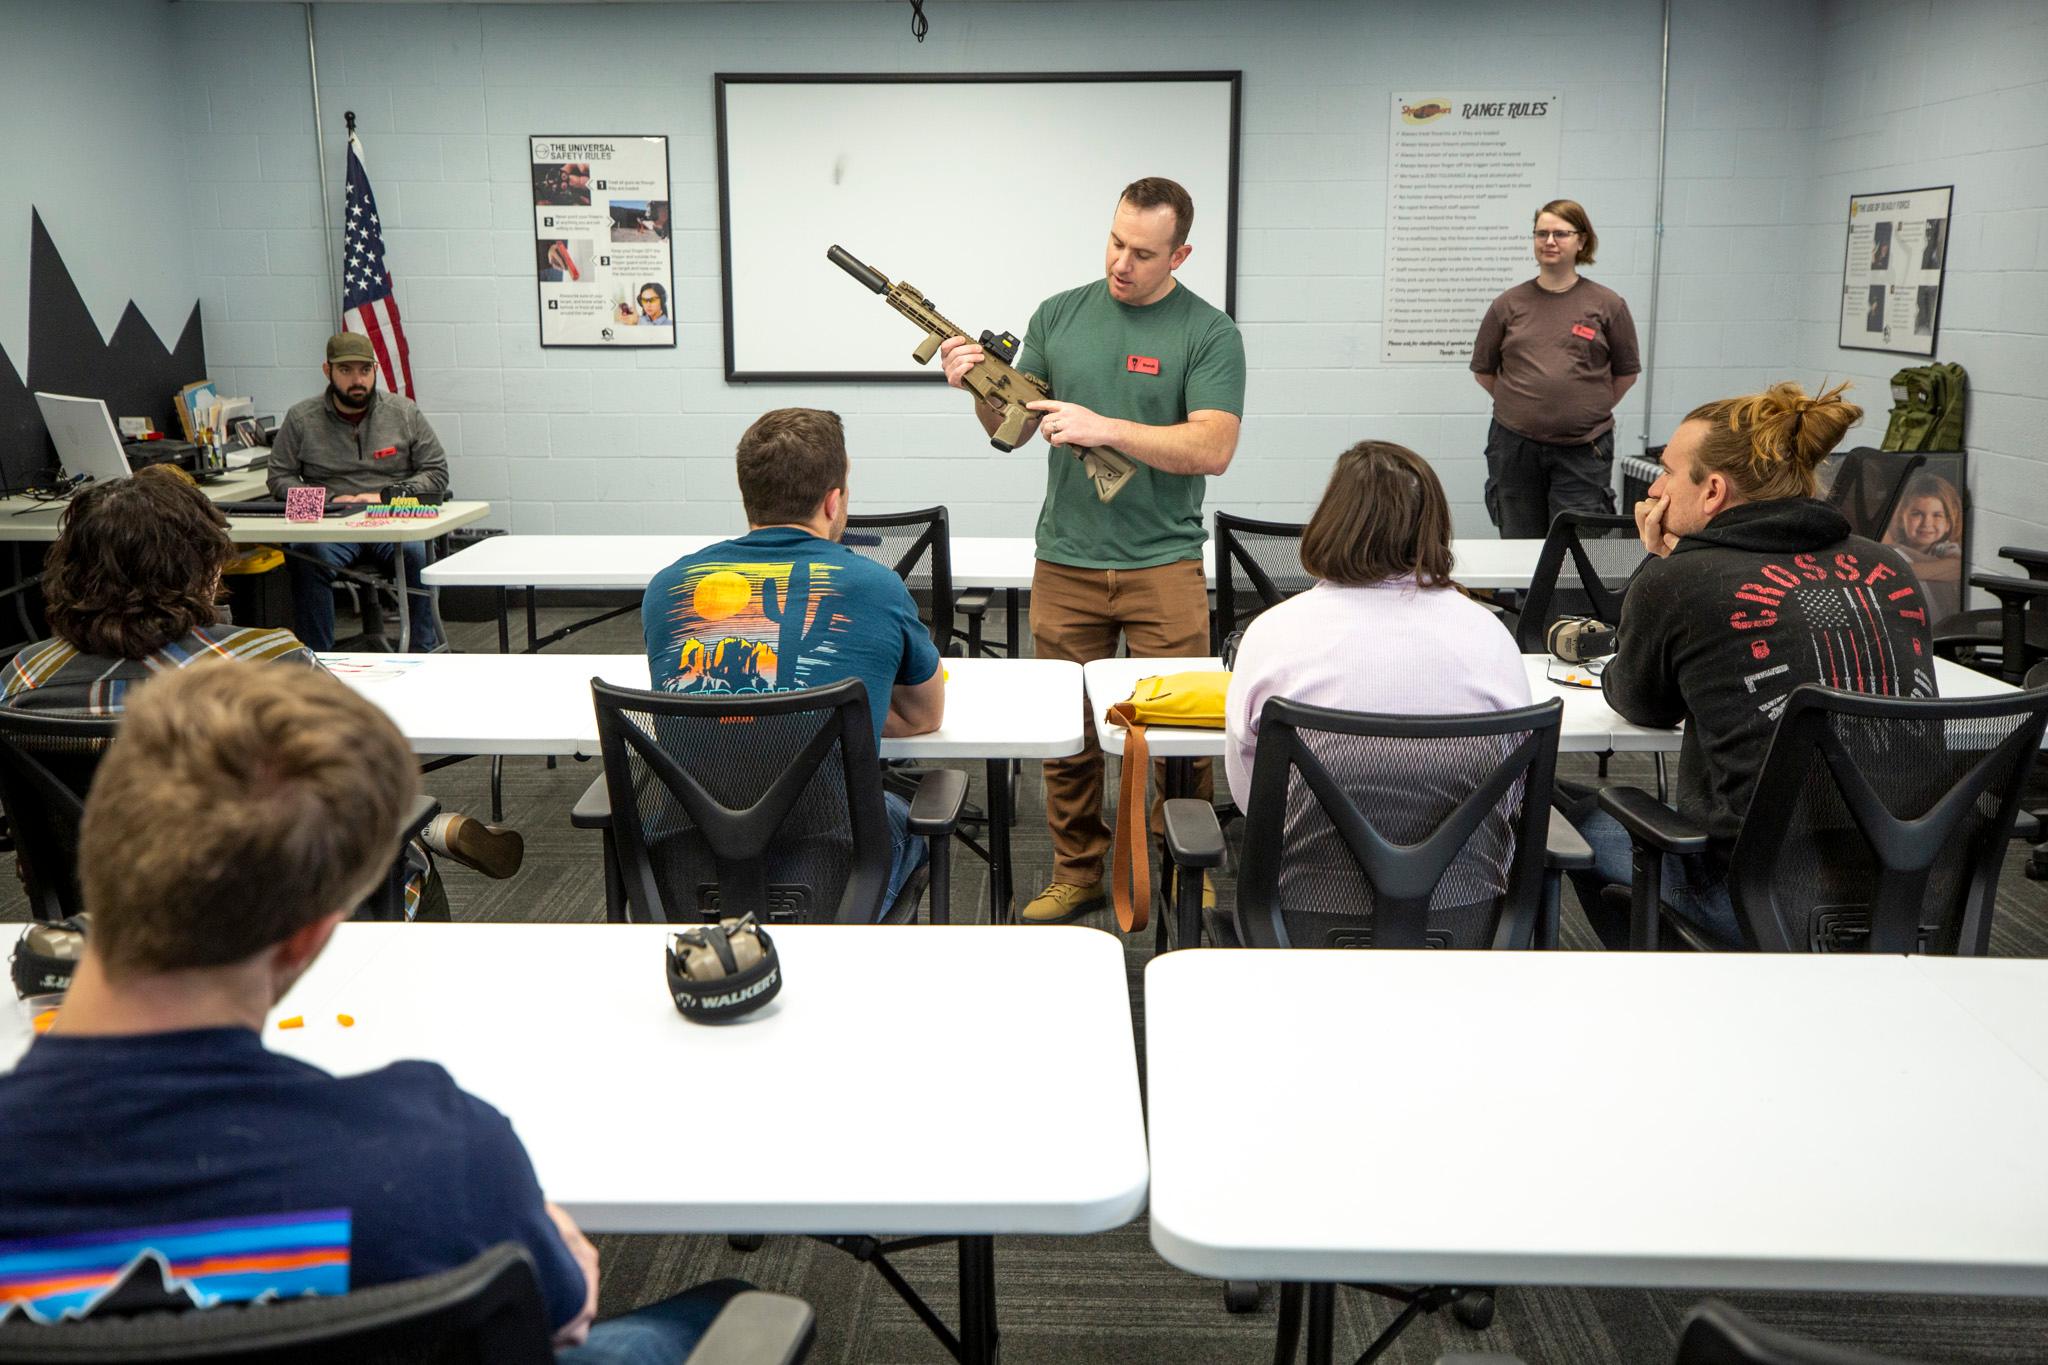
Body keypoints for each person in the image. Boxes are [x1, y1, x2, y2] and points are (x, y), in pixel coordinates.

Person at [0, 664, 743, 1359]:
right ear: (313, 933)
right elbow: (564, 1307)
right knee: (727, 1309)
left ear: (92, 847)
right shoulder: (443, 1155)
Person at [938, 176, 1246, 924]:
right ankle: (1078, 869)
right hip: (1066, 559)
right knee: (1066, 730)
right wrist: (975, 385)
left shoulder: (1208, 333)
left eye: (1143, 252)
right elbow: (1010, 431)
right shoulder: (1060, 314)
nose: (1121, 262)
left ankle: (1182, 862)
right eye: (1115, 241)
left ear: (1181, 253)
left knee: (1179, 735)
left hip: (1163, 562)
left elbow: (1214, 445)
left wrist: (1107, 427)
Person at [1, 466, 523, 900]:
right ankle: (434, 831)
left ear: (68, 570)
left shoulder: (21, 678)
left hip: (104, 922)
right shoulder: (269, 661)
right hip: (265, 924)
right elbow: (369, 782)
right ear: (204, 569)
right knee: (396, 833)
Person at [1565, 381, 1936, 947]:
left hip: (1751, 901)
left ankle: (1668, 983)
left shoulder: (1680, 581)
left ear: (1712, 490)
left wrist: (1663, 565)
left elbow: (1640, 702)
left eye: (1666, 471)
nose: (1656, 487)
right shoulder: (1888, 566)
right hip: (1906, 895)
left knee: (1551, 801)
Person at [641, 408, 945, 911]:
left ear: (748, 496)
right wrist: (843, 712)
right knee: (905, 814)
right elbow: (925, 715)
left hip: (690, 866)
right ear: (833, 500)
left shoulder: (668, 588)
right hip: (837, 872)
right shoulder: (874, 586)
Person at [1224, 441, 1530, 808]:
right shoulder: (1491, 635)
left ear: (1330, 520)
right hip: (1468, 865)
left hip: (1308, 864)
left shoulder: (1271, 633)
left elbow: (1250, 797)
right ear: (1435, 526)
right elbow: (1514, 791)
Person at [267, 332, 450, 653]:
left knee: (417, 556)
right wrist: (324, 501)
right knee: (307, 557)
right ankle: (317, 660)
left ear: (375, 370)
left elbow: (436, 472)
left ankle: (424, 652)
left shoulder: (404, 412)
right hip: (330, 521)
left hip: (391, 517)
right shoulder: (301, 418)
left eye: (365, 371)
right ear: (328, 371)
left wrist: (390, 496)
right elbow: (278, 477)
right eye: (347, 370)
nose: (357, 380)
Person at [1471, 199, 1641, 539]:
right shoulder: (1508, 305)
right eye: (1542, 233)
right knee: (1519, 543)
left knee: (1576, 549)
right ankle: (1527, 598)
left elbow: (1626, 373)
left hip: (1584, 449)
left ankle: (1571, 597)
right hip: (1514, 447)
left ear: (1581, 241)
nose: (1550, 241)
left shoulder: (1608, 305)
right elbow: (1484, 371)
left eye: (1560, 233)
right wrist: (1525, 403)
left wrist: (1583, 407)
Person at [1882, 470, 1964, 622]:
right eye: (1917, 514)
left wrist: (1900, 571)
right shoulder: (1896, 548)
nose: (1927, 523)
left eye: (1937, 515)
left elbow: (1958, 567)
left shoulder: (1944, 549)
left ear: (1948, 523)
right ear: (1901, 518)